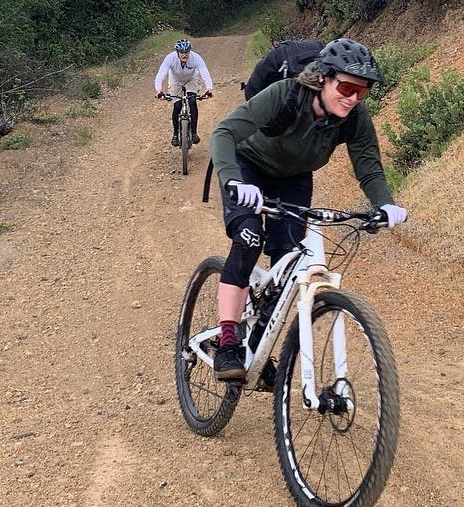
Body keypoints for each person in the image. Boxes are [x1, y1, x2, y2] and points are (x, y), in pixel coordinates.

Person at [207, 37, 407, 381]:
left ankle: (258, 344)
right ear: (323, 79)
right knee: (249, 238)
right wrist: (235, 182)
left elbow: (369, 166)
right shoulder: (285, 94)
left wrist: (385, 204)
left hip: (294, 178)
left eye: (362, 91)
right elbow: (224, 133)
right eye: (346, 87)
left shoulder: (354, 117)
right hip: (248, 166)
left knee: (289, 258)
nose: (353, 98)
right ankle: (227, 343)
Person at [154, 38, 214, 146]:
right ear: (177, 52)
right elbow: (161, 75)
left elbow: (205, 73)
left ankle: (194, 133)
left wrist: (209, 89)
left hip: (191, 79)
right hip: (175, 80)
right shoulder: (170, 58)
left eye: (186, 52)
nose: (184, 55)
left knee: (192, 101)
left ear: (190, 51)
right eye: (182, 52)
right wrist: (159, 91)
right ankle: (175, 135)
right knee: (177, 106)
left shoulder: (196, 58)